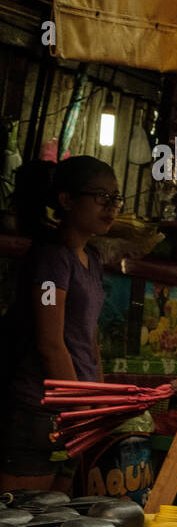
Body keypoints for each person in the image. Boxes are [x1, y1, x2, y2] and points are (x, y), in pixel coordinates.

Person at [1, 157, 120, 492]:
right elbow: (50, 342)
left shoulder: (91, 259)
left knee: (54, 522)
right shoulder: (53, 261)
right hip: (42, 410)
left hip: (72, 411)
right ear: (67, 200)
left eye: (115, 198)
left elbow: (89, 339)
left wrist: (98, 400)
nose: (111, 207)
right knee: (22, 526)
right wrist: (82, 408)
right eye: (100, 196)